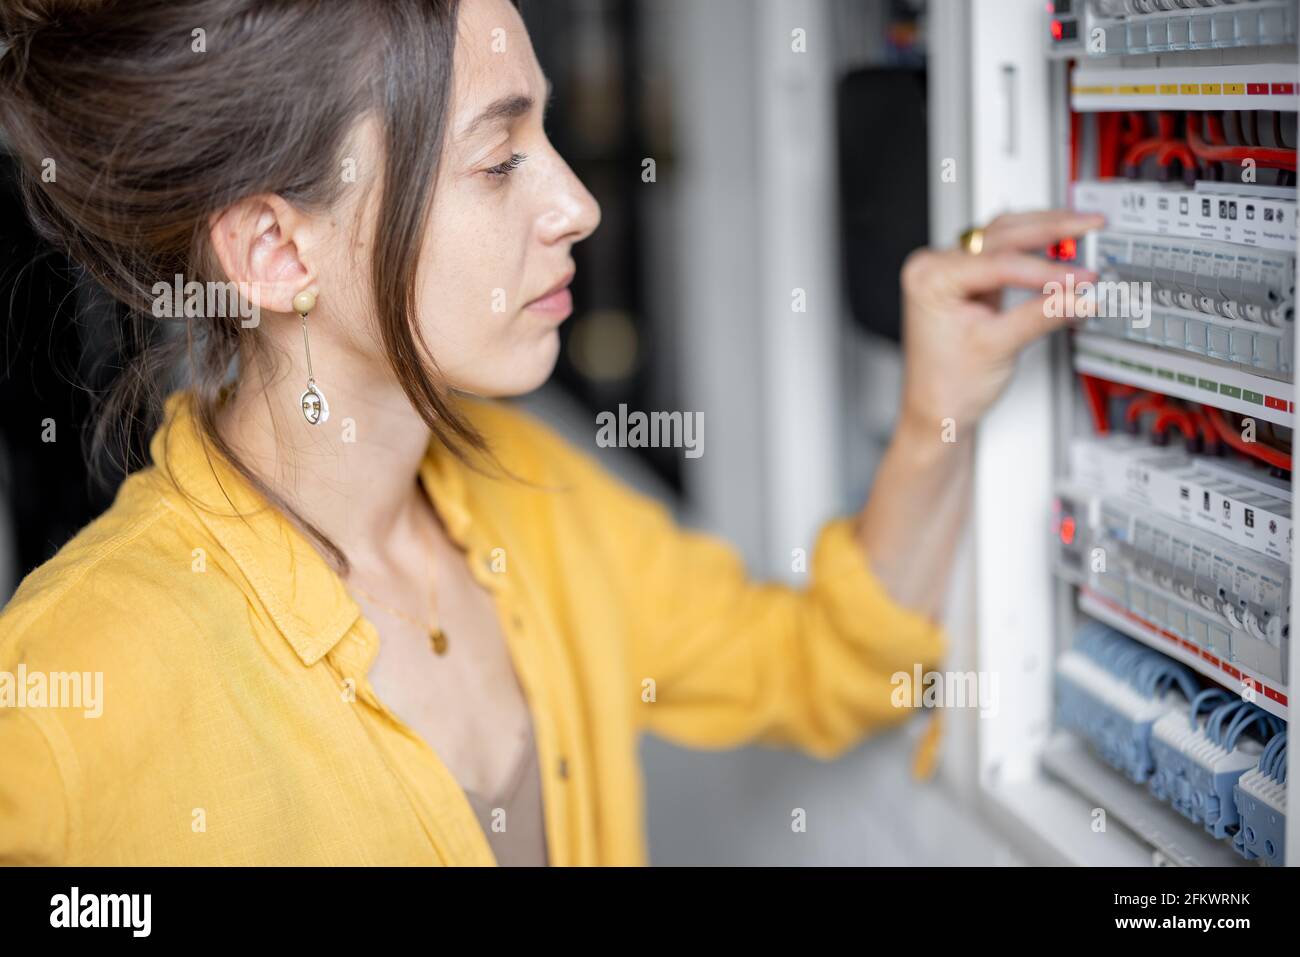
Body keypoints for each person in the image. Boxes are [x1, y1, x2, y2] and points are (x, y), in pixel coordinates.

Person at [0, 0, 1101, 865]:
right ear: (279, 254)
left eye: (548, 133)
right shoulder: (64, 698)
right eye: (497, 160)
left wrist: (936, 407)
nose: (578, 203)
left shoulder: (531, 488)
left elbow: (825, 665)